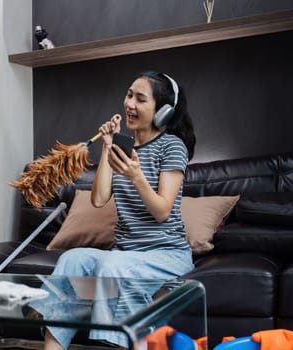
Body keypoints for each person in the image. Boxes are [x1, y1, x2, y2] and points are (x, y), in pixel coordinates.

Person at [38, 71, 196, 350]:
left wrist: (136, 177)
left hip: (166, 256)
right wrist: (108, 147)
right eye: (129, 95)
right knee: (72, 260)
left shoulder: (172, 146)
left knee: (113, 266)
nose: (129, 104)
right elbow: (98, 199)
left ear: (162, 111)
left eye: (140, 99)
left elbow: (162, 211)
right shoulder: (122, 148)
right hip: (124, 255)